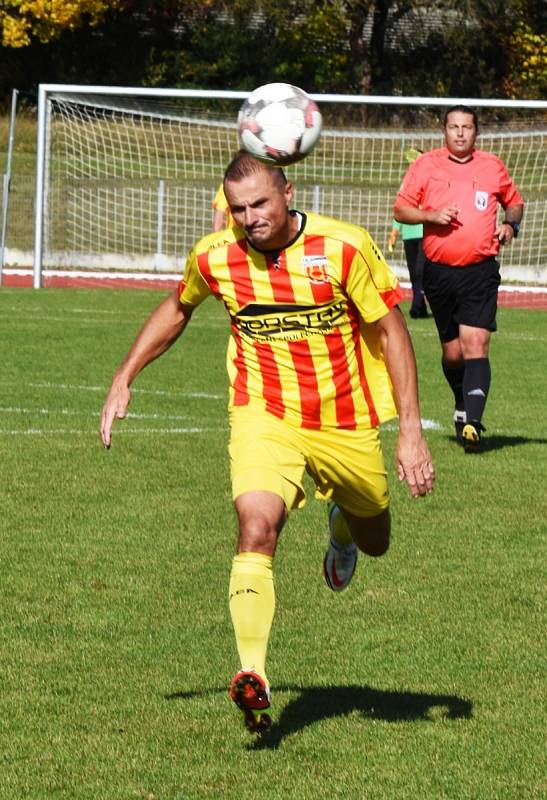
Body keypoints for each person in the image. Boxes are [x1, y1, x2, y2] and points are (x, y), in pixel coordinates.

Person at [100, 151, 435, 735]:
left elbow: (391, 330)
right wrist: (124, 375)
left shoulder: (345, 247)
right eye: (238, 208)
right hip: (263, 414)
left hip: (345, 420)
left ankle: (342, 527)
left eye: (260, 203)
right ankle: (252, 674)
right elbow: (178, 307)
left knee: (375, 538)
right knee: (255, 526)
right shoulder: (216, 255)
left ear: (287, 192)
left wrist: (410, 429)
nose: (250, 217)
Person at [393, 105, 524, 452]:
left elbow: (515, 202)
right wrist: (431, 215)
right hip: (438, 273)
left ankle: (473, 423)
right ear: (445, 131)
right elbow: (401, 208)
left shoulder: (492, 166)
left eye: (467, 127)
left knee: (476, 344)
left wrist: (510, 225)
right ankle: (461, 400)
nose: (461, 133)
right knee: (453, 354)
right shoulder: (425, 165)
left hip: (480, 271)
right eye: (454, 127)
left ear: (476, 132)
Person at [387, 147, 428, 319]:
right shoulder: (406, 185)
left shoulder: (428, 182)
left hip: (425, 232)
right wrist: (394, 232)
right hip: (409, 233)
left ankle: (417, 305)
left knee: (421, 270)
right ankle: (421, 305)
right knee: (413, 272)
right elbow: (400, 208)